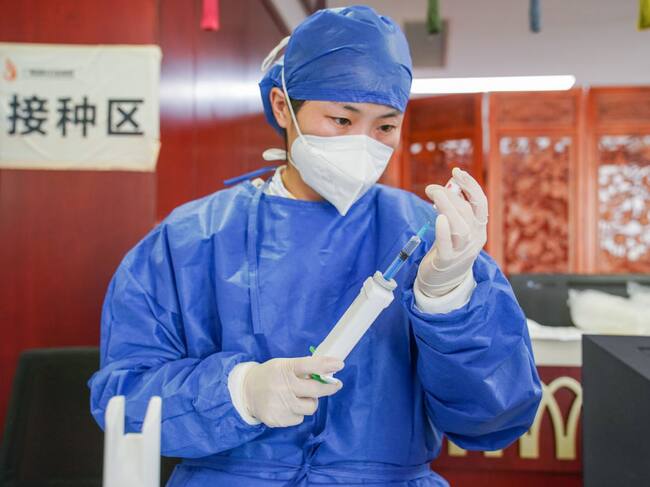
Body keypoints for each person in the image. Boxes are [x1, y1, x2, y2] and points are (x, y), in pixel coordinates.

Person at [89, 6, 542, 486]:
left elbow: (495, 419)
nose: (364, 143)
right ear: (283, 106)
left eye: (385, 127)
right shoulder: (190, 240)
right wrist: (239, 392)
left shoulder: (431, 241)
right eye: (342, 119)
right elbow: (124, 401)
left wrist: (450, 303)